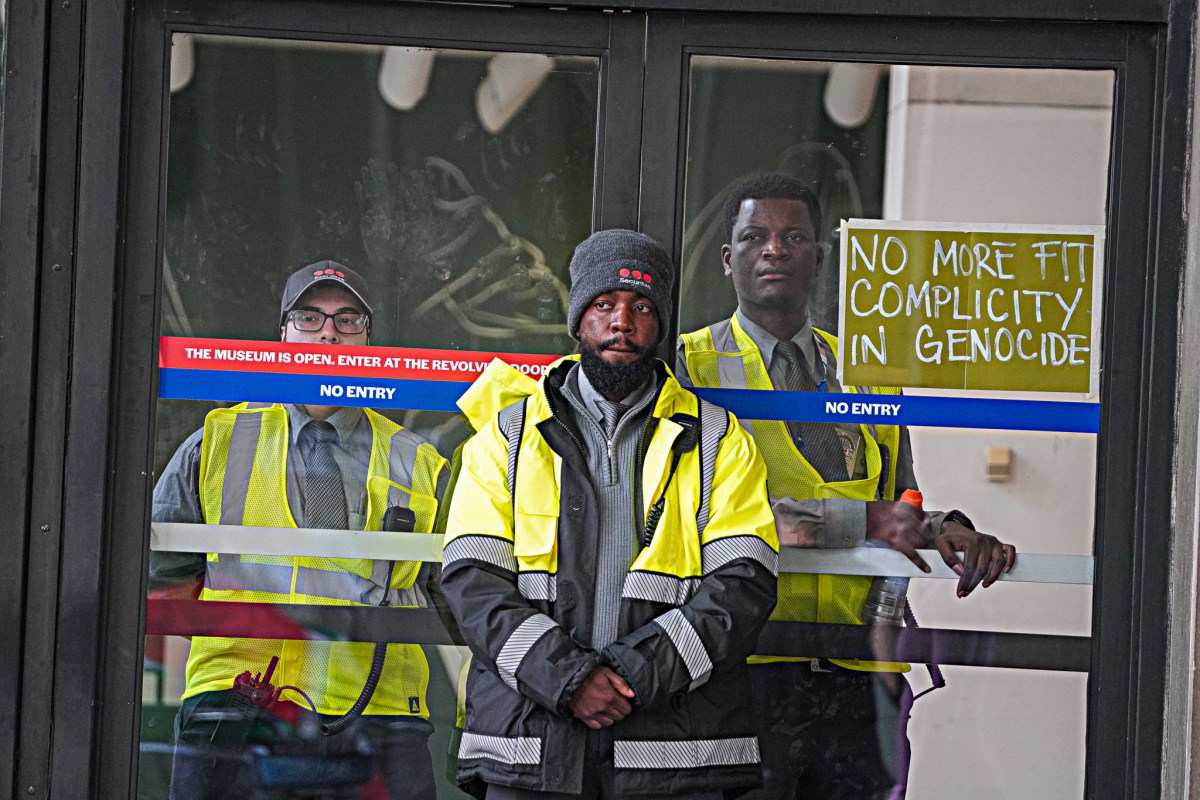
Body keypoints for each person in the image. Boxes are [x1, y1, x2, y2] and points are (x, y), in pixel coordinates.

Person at [675, 173, 1017, 800]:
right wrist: (868, 521)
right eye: (754, 237)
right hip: (744, 667)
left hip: (856, 669)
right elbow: (698, 514)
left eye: (794, 237)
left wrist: (947, 528)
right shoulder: (687, 367)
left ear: (820, 257)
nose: (774, 250)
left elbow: (900, 500)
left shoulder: (868, 373)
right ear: (727, 259)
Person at [439, 229, 780, 800]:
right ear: (578, 321)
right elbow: (472, 585)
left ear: (660, 325)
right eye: (604, 304)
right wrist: (570, 681)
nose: (622, 322)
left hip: (674, 758)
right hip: (533, 748)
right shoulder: (506, 437)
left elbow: (744, 587)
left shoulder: (719, 440)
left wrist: (628, 678)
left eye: (642, 307)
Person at [151, 261, 450, 800]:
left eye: (348, 320)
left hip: (379, 713)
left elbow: (453, 595)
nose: (329, 333)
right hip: (237, 706)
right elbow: (161, 583)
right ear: (283, 334)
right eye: (309, 318)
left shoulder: (419, 460)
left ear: (368, 340)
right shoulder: (216, 442)